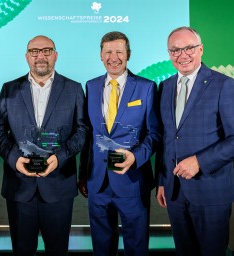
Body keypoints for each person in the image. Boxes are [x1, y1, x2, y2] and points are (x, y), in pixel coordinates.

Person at [156, 26, 234, 256]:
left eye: (189, 48)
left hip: (211, 189)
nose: (183, 55)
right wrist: (162, 180)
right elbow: (167, 139)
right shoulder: (165, 87)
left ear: (201, 49)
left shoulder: (222, 84)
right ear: (169, 54)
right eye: (175, 50)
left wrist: (199, 161)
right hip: (174, 191)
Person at [0, 35, 88, 255]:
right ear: (27, 56)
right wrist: (15, 160)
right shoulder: (9, 89)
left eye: (46, 51)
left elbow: (82, 131)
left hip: (58, 185)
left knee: (57, 250)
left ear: (55, 55)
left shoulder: (73, 89)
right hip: (19, 187)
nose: (40, 56)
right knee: (22, 250)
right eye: (34, 51)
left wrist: (60, 157)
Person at [78, 31, 161, 256]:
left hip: (132, 180)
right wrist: (83, 175)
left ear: (128, 55)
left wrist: (136, 156)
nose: (113, 58)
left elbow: (154, 134)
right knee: (101, 247)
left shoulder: (146, 87)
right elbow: (89, 135)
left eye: (119, 52)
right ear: (100, 55)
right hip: (98, 182)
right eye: (108, 52)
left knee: (136, 245)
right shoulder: (92, 86)